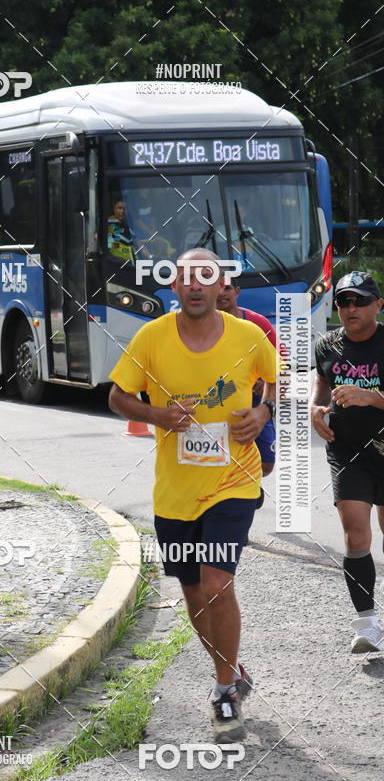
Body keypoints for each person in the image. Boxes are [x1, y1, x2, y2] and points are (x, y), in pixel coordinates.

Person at [109, 248, 277, 741]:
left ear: (222, 285)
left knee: (216, 583)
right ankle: (233, 670)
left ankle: (224, 692)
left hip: (234, 483)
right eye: (188, 277)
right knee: (194, 594)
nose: (197, 285)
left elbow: (280, 381)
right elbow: (117, 395)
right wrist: (156, 415)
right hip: (175, 494)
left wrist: (263, 412)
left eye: (207, 276)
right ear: (176, 286)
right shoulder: (152, 337)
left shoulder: (249, 337)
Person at [312, 271, 384, 653]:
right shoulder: (327, 344)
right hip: (347, 451)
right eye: (343, 301)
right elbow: (321, 382)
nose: (350, 308)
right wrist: (315, 407)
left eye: (359, 300)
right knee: (356, 534)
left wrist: (372, 398)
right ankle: (367, 624)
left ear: (378, 305)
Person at [217, 278, 277, 479]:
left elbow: (280, 364)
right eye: (218, 288)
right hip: (216, 401)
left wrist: (263, 380)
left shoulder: (257, 323)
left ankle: (248, 484)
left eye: (227, 288)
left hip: (254, 402)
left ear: (237, 291)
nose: (222, 293)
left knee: (266, 464)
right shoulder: (200, 324)